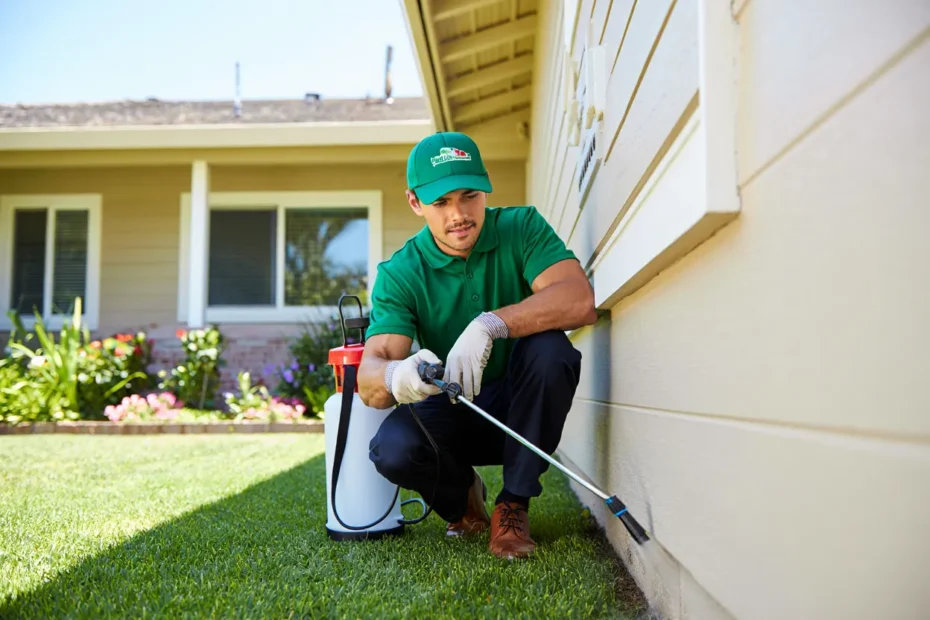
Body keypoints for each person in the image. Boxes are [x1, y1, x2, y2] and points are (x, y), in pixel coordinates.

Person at [357, 131, 597, 560]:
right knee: (391, 448)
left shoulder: (521, 227)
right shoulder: (400, 273)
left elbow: (577, 299)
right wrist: (398, 375)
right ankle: (464, 501)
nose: (458, 214)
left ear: (485, 187)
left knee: (550, 349)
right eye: (441, 202)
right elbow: (370, 380)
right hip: (455, 404)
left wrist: (492, 324)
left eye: (469, 195)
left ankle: (513, 506)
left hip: (525, 406)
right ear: (415, 203)